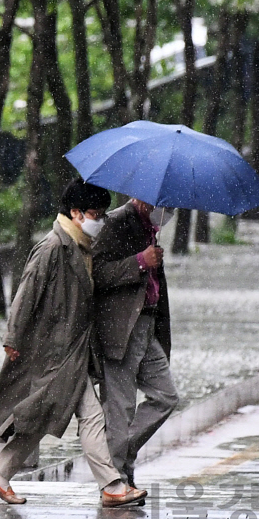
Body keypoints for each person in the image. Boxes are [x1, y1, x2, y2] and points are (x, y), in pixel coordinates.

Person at [0, 178, 146, 508]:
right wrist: (13, 339)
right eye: (95, 214)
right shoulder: (53, 247)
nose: (100, 220)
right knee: (91, 415)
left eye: (103, 214)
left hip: (71, 350)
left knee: (45, 416)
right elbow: (26, 294)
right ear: (75, 212)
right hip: (54, 353)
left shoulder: (82, 248)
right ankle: (111, 486)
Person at [92, 198, 179, 487]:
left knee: (166, 396)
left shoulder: (150, 228)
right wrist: (140, 261)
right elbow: (97, 273)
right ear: (142, 197)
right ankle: (115, 481)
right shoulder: (116, 222)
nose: (168, 210)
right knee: (120, 408)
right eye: (164, 203)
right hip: (122, 328)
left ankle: (120, 456)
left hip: (148, 326)